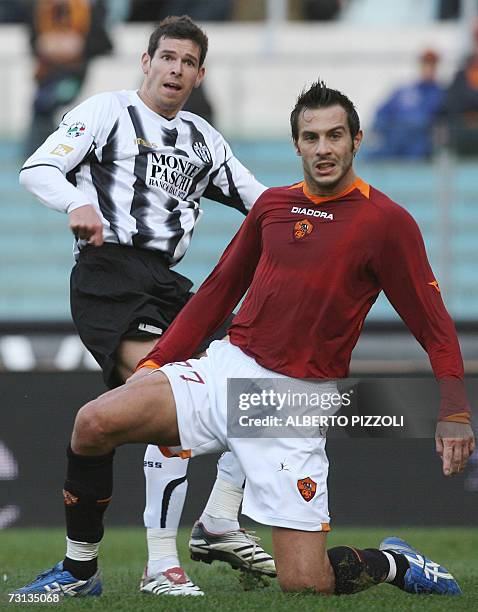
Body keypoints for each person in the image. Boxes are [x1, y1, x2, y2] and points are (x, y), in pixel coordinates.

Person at [15, 80, 475, 597]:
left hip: (293, 403)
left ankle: (393, 562)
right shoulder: (273, 207)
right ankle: (80, 573)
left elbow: (433, 324)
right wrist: (156, 365)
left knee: (306, 581)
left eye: (335, 136)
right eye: (311, 137)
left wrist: (454, 410)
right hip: (227, 367)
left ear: (357, 140)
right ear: (296, 144)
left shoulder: (387, 223)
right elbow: (216, 293)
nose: (323, 148)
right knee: (94, 422)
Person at [19, 15, 275, 597]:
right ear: (146, 61)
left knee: (259, 379)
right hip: (108, 276)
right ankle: (160, 564)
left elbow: (263, 204)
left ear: (199, 74)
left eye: (187, 62)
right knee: (170, 396)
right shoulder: (106, 111)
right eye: (167, 57)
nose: (175, 69)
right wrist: (73, 204)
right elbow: (38, 168)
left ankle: (218, 520)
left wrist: (327, 224)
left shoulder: (204, 139)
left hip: (166, 283)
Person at [24, 0, 113, 156]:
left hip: (73, 76)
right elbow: (33, 41)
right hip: (47, 76)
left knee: (50, 103)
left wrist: (79, 45)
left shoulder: (87, 10)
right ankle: (40, 153)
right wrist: (44, 44)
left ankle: (44, 152)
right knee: (41, 105)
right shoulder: (41, 10)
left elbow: (106, 44)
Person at [367, 49, 444, 159]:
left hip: (419, 144)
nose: (428, 68)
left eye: (432, 65)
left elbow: (433, 122)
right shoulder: (404, 91)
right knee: (368, 155)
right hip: (394, 140)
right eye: (426, 64)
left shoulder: (440, 94)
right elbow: (381, 112)